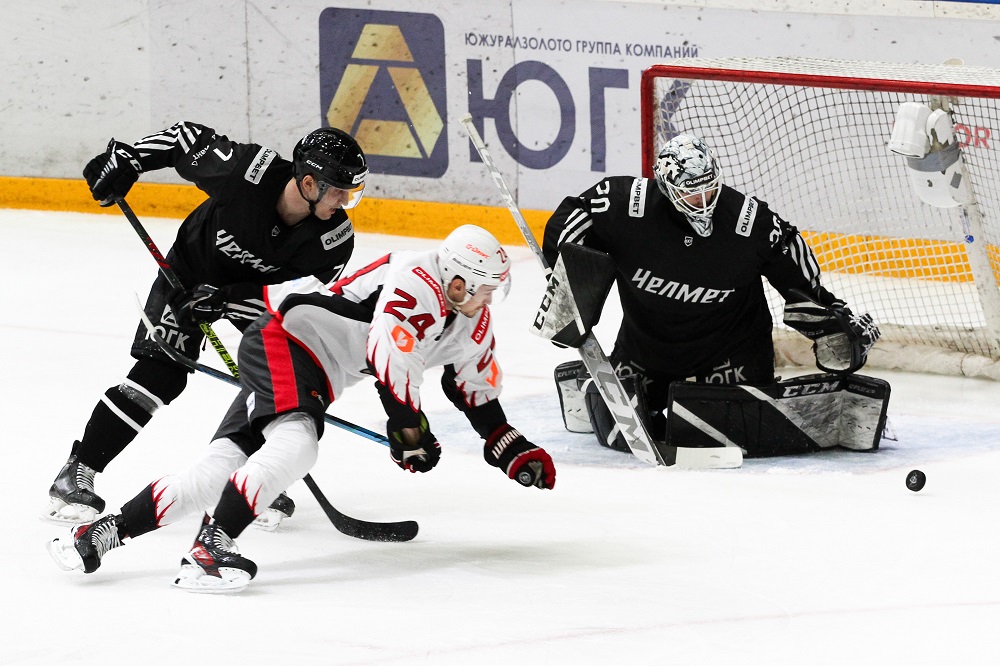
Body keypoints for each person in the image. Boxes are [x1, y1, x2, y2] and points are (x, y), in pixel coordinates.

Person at [48, 224, 556, 592]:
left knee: (215, 472)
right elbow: (389, 354)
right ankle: (211, 547)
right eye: (485, 287)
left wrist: (509, 447)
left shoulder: (470, 318)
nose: (490, 298)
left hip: (313, 372)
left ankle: (99, 535)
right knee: (297, 447)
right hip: (288, 344)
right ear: (458, 281)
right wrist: (408, 431)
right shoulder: (415, 280)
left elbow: (473, 389)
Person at [44, 121, 368, 526]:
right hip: (188, 274)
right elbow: (184, 140)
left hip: (251, 299)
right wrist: (131, 159)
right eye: (339, 189)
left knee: (272, 386)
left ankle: (252, 480)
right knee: (160, 376)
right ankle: (77, 472)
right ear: (307, 182)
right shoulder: (250, 172)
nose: (345, 200)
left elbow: (300, 304)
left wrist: (229, 299)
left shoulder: (333, 239)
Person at [542, 133, 880, 454]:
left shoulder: (749, 223)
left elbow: (799, 278)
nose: (703, 202)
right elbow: (573, 215)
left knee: (737, 427)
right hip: (645, 352)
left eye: (709, 189)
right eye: (691, 193)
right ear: (667, 187)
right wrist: (562, 280)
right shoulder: (626, 205)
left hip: (730, 355)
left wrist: (831, 320)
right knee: (611, 422)